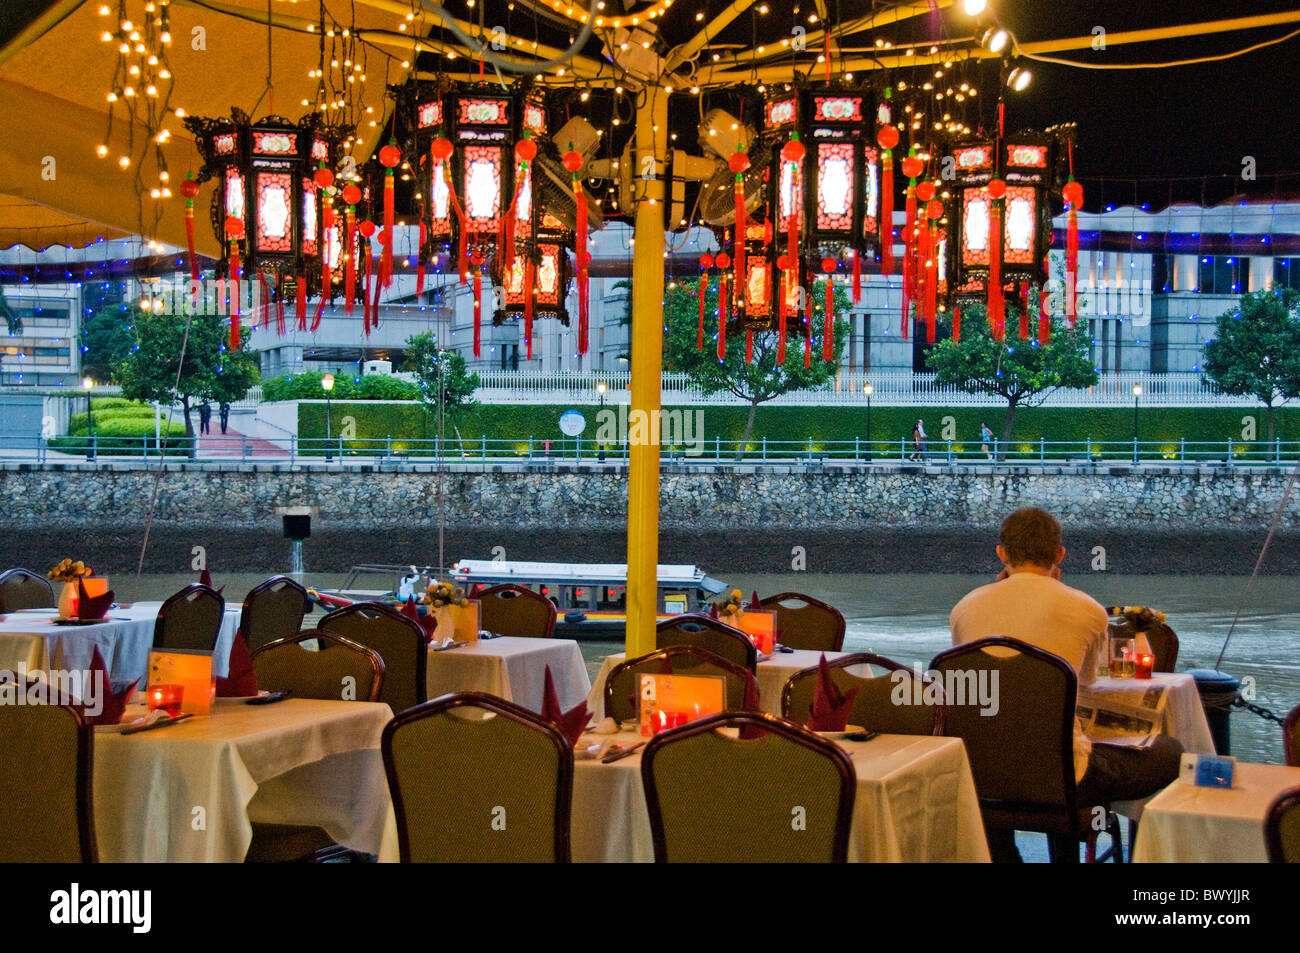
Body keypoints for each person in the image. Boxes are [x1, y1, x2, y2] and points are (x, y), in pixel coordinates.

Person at [948, 507, 1183, 862]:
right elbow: (1086, 683)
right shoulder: (1087, 609)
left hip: (980, 775)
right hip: (1065, 779)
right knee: (1171, 752)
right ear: (1059, 554)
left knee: (1005, 762)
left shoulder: (963, 608)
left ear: (1001, 553)